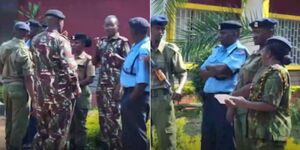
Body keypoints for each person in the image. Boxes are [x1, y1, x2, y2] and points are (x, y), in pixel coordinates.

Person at [225, 36, 292, 150]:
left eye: (264, 50)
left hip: (269, 133)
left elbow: (271, 105)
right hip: (257, 132)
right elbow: (255, 92)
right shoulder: (265, 70)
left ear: (269, 53)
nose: (261, 53)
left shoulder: (276, 73)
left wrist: (243, 103)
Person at [30, 9, 81, 149]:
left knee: (42, 131)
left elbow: (33, 66)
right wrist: (76, 86)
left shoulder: (35, 40)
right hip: (59, 95)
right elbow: (70, 68)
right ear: (60, 21)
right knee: (58, 133)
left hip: (41, 94)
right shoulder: (61, 41)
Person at [226, 18, 278, 150]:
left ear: (270, 33)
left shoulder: (269, 58)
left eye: (258, 32)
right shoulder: (253, 55)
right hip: (242, 111)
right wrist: (232, 106)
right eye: (253, 31)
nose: (254, 35)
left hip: (257, 115)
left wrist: (232, 96)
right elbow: (240, 82)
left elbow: (255, 86)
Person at [199, 20, 248, 150]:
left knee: (224, 139)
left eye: (224, 33)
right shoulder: (218, 50)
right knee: (208, 138)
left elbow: (224, 70)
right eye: (220, 33)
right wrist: (216, 71)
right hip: (209, 100)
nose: (220, 36)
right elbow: (202, 71)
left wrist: (215, 70)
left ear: (235, 34)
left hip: (225, 101)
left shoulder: (240, 51)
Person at [150, 15, 187, 150]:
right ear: (151, 29)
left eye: (162, 29)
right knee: (144, 136)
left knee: (166, 136)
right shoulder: (142, 49)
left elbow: (182, 73)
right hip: (143, 96)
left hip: (162, 98)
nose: (160, 31)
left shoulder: (170, 50)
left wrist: (179, 89)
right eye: (157, 28)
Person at [93, 15, 130, 149]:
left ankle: (117, 146)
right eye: (106, 25)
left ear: (117, 26)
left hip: (115, 86)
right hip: (102, 87)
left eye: (111, 25)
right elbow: (94, 62)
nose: (108, 27)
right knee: (103, 117)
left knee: (114, 118)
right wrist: (96, 47)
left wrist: (120, 87)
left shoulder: (122, 42)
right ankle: (106, 144)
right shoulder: (102, 42)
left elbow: (129, 65)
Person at [0, 21, 35, 150]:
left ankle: (9, 144)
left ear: (14, 31)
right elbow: (28, 77)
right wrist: (34, 97)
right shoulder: (24, 50)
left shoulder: (3, 46)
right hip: (20, 88)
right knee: (19, 122)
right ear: (27, 33)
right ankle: (14, 147)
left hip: (6, 87)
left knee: (8, 119)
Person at [120, 17, 150, 150]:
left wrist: (129, 100)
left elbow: (143, 81)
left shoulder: (143, 49)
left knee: (136, 135)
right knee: (128, 134)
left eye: (130, 30)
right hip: (130, 93)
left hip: (137, 96)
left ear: (135, 32)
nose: (129, 32)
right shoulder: (135, 46)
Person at [69, 33, 95, 150]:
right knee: (70, 124)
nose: (73, 45)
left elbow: (90, 78)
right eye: (72, 42)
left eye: (76, 43)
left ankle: (80, 147)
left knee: (80, 125)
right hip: (68, 94)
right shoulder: (68, 58)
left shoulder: (88, 59)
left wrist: (76, 85)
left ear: (83, 44)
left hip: (81, 95)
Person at [22, 19, 43, 150]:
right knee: (27, 112)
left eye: (30, 28)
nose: (28, 31)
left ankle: (31, 140)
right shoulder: (27, 42)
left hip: (37, 82)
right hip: (26, 81)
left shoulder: (39, 43)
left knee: (35, 112)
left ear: (36, 29)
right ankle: (25, 138)